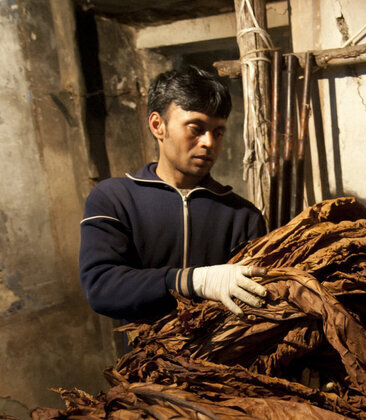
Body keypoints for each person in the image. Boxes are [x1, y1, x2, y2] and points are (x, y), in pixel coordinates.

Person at [79, 65, 268, 323]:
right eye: (196, 128)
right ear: (158, 125)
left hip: (222, 348)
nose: (209, 142)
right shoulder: (114, 199)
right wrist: (191, 281)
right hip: (146, 349)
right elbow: (101, 287)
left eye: (218, 132)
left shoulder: (243, 216)